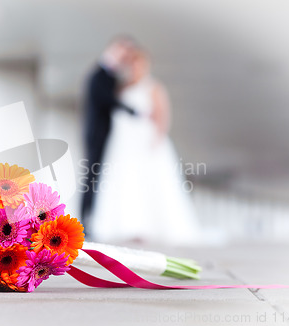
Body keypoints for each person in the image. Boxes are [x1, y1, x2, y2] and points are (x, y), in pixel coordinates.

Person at [90, 49, 201, 246]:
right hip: (123, 144)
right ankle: (129, 225)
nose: (135, 68)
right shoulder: (121, 88)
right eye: (132, 65)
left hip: (145, 142)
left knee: (149, 182)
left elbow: (162, 114)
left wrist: (157, 139)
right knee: (126, 183)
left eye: (138, 64)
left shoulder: (154, 87)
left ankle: (148, 226)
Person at [80, 37, 137, 235]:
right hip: (96, 132)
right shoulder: (99, 74)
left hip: (105, 133)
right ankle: (84, 218)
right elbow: (103, 99)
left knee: (96, 176)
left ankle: (90, 218)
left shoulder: (112, 76)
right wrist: (126, 108)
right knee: (91, 175)